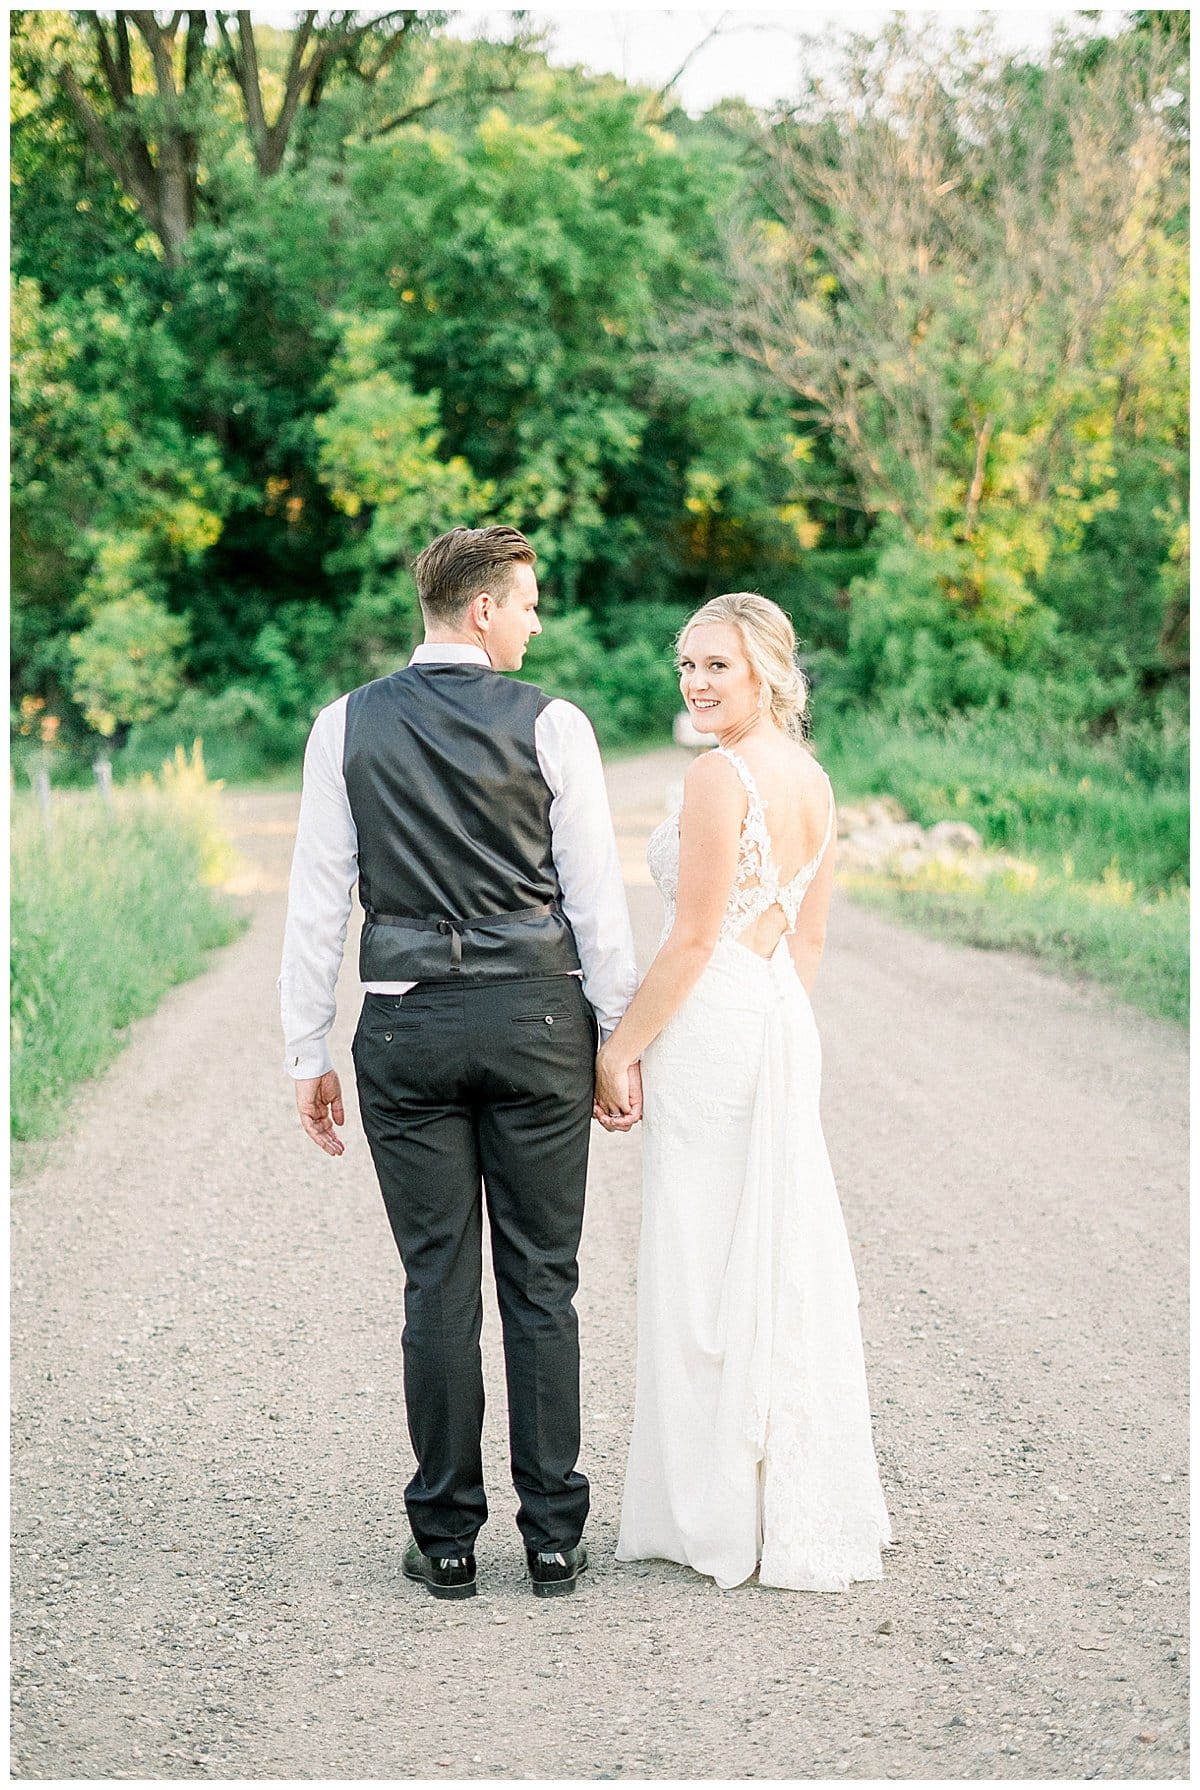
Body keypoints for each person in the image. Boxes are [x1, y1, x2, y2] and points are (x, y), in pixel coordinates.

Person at [279, 525, 639, 1600]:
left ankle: (443, 1535)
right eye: (525, 601)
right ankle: (553, 1536)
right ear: (480, 609)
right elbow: (596, 901)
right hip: (536, 1021)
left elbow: (316, 902)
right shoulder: (554, 725)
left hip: (406, 1024)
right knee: (542, 1277)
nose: (535, 619)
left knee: (436, 1277)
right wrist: (617, 1039)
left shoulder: (344, 724)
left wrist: (307, 1047)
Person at [595, 591, 893, 1591]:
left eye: (716, 664)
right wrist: (776, 1029)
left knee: (702, 1257)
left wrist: (618, 1050)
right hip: (773, 1014)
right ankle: (773, 1497)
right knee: (770, 1248)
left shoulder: (719, 776)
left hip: (716, 1020)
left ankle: (714, 1510)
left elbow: (689, 938)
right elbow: (802, 937)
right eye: (685, 665)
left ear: (763, 666)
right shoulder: (813, 778)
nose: (696, 682)